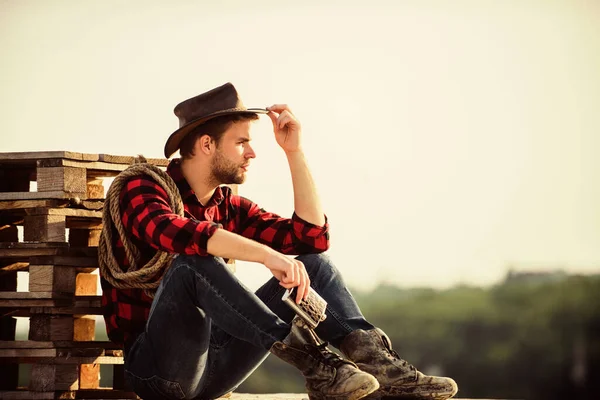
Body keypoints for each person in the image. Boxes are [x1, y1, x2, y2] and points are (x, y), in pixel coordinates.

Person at [99, 83, 458, 400]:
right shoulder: (142, 188)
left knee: (312, 264)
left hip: (217, 367)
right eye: (241, 143)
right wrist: (268, 257)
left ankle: (382, 368)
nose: (252, 153)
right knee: (193, 263)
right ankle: (315, 361)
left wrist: (294, 152)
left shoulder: (228, 207)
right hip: (161, 373)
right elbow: (175, 233)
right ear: (207, 144)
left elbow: (312, 237)